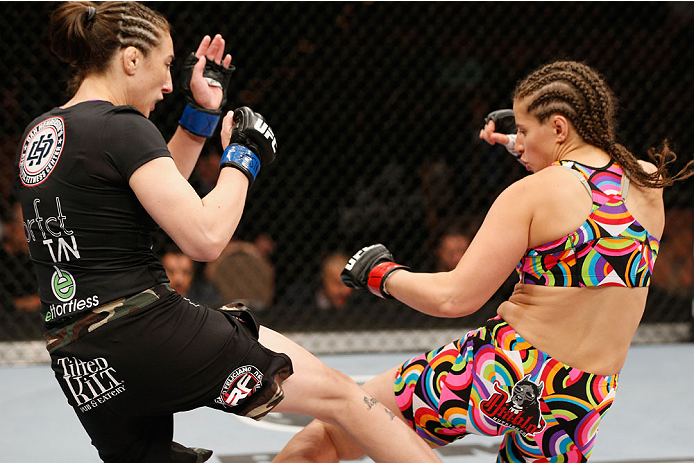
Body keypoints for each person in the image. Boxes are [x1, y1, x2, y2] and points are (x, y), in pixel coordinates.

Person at [15, 2, 441, 462]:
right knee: (341, 397)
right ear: (130, 59)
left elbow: (153, 201)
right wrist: (243, 155)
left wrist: (200, 113)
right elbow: (204, 238)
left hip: (82, 360)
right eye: (164, 66)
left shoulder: (45, 130)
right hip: (149, 331)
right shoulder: (121, 126)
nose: (166, 85)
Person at [274, 60, 694, 462]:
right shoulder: (645, 179)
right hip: (580, 398)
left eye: (526, 130)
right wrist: (528, 147)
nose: (520, 141)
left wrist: (382, 275)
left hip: (502, 371)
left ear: (559, 127)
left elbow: (453, 299)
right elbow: (586, 193)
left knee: (328, 433)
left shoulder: (531, 194)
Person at [159, 242, 223, 308]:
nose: (178, 280)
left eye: (186, 272)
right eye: (171, 272)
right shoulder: (152, 297)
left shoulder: (207, 295)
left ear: (193, 273)